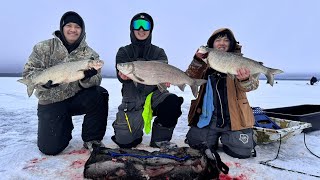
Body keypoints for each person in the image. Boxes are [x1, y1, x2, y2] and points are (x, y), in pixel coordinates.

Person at [21, 11, 109, 155]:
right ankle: (63, 125)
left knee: (100, 93)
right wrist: (43, 84)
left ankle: (92, 139)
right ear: (62, 28)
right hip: (51, 101)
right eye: (69, 25)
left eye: (77, 27)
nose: (73, 29)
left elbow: (97, 80)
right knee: (50, 149)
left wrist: (87, 78)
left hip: (76, 98)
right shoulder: (44, 47)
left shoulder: (90, 55)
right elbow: (28, 73)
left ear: (82, 30)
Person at [184, 28, 259, 159]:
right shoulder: (204, 61)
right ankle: (210, 134)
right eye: (218, 40)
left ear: (231, 44)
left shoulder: (240, 62)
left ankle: (235, 137)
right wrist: (196, 61)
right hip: (209, 118)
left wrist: (245, 79)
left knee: (242, 152)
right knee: (196, 146)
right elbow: (189, 77)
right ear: (211, 44)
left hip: (235, 120)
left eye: (226, 40)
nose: (222, 43)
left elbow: (253, 85)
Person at [112, 12, 184, 148]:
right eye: (137, 25)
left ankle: (160, 139)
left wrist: (165, 81)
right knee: (125, 142)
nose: (141, 29)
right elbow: (120, 75)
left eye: (145, 26)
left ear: (150, 29)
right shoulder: (123, 52)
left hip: (155, 95)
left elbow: (164, 73)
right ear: (131, 28)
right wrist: (124, 78)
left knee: (172, 101)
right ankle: (130, 132)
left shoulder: (159, 52)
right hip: (132, 99)